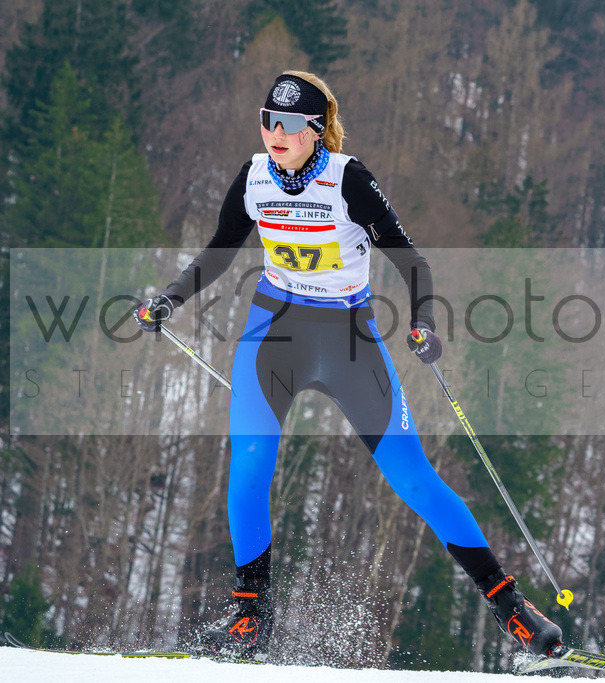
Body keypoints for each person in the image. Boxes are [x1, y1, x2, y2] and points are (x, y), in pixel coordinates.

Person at [133, 71, 562, 661]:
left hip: (348, 339)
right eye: (266, 121)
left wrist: (424, 322)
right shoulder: (254, 176)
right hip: (273, 332)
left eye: (288, 124)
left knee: (412, 477)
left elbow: (412, 261)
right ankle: (252, 616)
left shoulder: (347, 179)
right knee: (250, 463)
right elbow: (220, 248)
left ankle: (510, 604)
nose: (274, 134)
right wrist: (171, 298)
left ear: (316, 131)